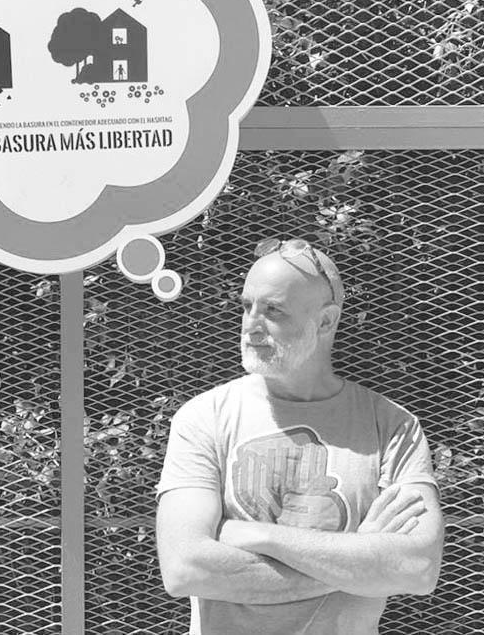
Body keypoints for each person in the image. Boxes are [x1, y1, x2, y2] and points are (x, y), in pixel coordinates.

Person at [155, 238, 444, 635]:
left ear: (326, 321)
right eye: (247, 306)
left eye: (273, 310)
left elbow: (418, 567)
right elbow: (185, 568)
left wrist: (257, 536)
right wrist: (359, 559)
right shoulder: (204, 418)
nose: (251, 324)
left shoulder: (392, 426)